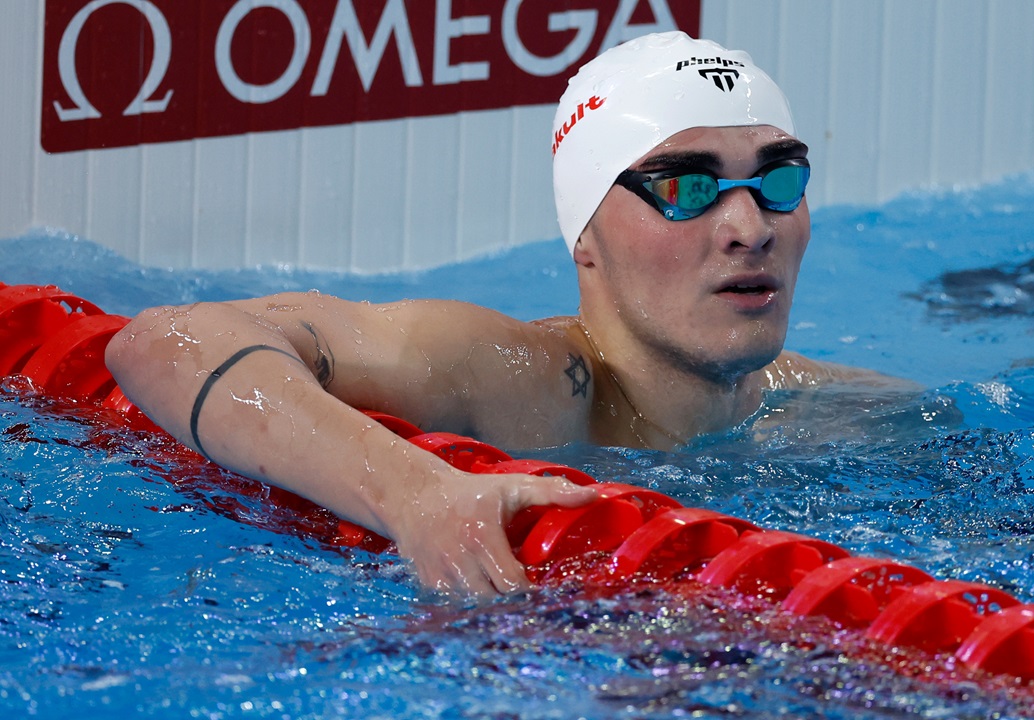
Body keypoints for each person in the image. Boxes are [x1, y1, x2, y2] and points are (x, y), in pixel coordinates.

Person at [106, 32, 878, 598]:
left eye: (778, 179)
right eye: (686, 188)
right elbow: (163, 342)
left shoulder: (837, 410)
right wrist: (411, 494)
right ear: (586, 239)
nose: (752, 225)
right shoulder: (517, 380)